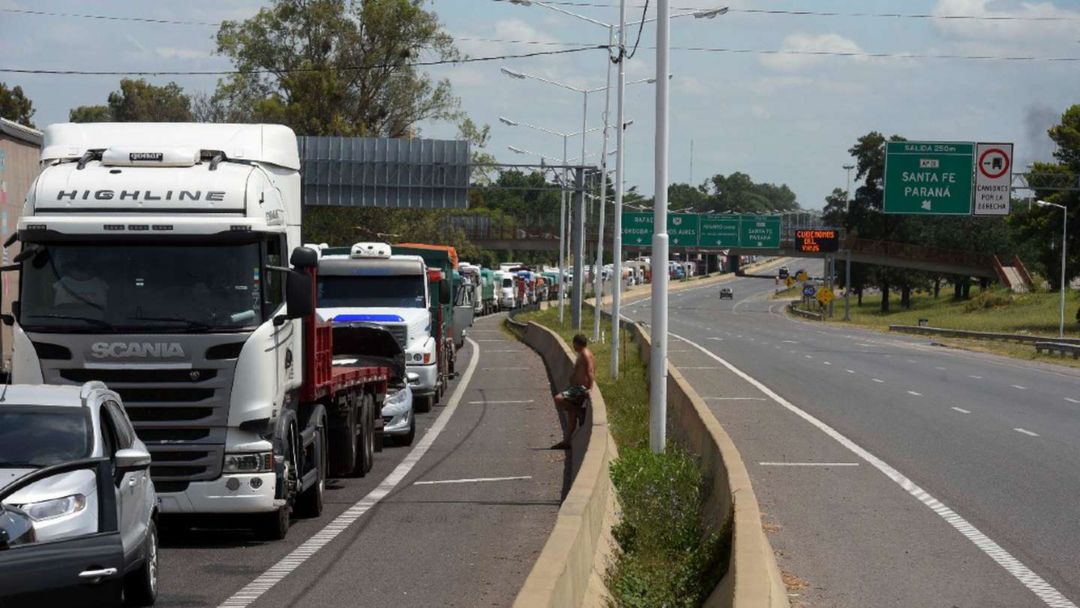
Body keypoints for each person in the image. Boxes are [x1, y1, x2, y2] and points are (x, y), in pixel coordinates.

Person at [551, 333, 595, 450]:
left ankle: (580, 412)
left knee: (558, 399)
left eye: (574, 344)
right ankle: (567, 441)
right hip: (576, 387)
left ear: (577, 343)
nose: (573, 346)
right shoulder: (581, 353)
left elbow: (590, 371)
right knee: (571, 416)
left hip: (580, 389)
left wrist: (590, 388)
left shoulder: (585, 354)